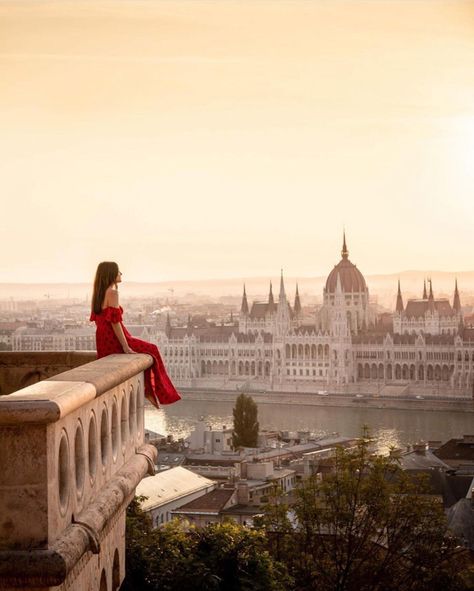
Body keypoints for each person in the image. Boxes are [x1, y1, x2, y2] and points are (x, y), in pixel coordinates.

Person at [90, 261, 181, 408]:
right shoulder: (112, 293)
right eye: (118, 271)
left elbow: (101, 321)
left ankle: (149, 391)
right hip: (114, 338)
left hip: (102, 339)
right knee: (152, 349)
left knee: (148, 350)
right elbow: (115, 322)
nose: (121, 274)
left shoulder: (98, 294)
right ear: (111, 274)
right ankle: (155, 392)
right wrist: (125, 346)